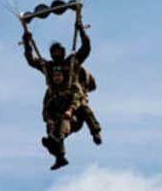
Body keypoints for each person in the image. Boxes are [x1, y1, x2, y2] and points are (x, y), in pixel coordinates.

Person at [22, 18, 102, 169]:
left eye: (59, 51)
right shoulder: (48, 68)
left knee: (82, 107)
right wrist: (27, 43)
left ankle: (95, 132)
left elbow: (86, 48)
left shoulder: (72, 64)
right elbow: (32, 61)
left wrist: (81, 30)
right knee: (54, 126)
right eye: (54, 52)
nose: (57, 54)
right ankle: (59, 155)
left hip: (75, 111)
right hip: (61, 112)